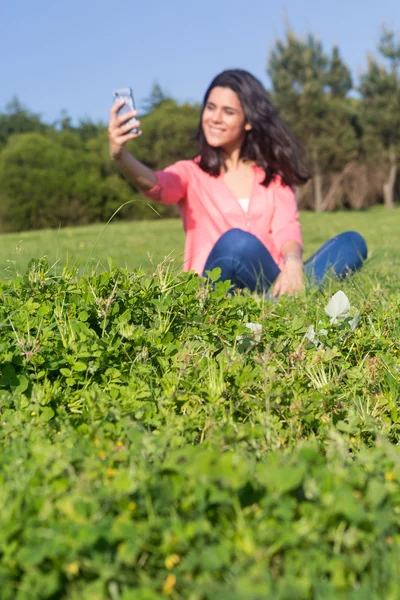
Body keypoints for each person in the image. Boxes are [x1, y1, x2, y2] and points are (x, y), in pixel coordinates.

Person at [108, 69, 367, 296]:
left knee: (352, 243)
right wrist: (121, 156)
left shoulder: (273, 177)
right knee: (236, 243)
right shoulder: (192, 173)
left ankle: (273, 305)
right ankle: (281, 307)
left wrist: (293, 263)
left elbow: (286, 227)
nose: (215, 118)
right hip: (217, 291)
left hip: (268, 279)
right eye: (210, 108)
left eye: (228, 111)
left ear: (248, 121)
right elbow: (158, 185)